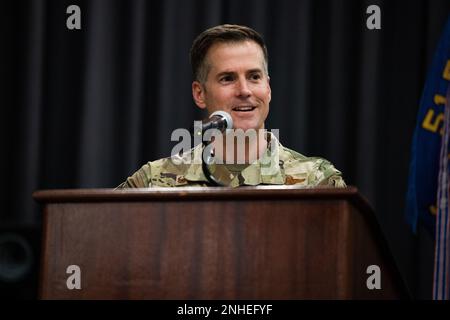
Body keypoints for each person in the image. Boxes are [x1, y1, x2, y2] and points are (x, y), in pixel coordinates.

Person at [117, 24, 345, 188]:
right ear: (200, 93)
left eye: (254, 77)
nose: (244, 90)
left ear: (268, 88)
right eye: (227, 78)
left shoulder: (317, 181)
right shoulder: (154, 182)